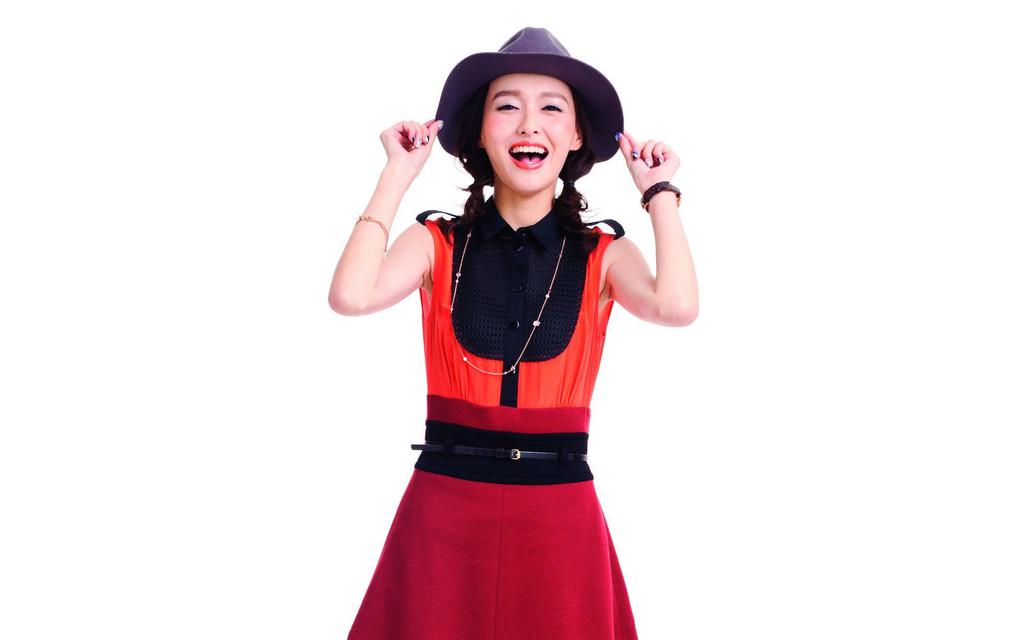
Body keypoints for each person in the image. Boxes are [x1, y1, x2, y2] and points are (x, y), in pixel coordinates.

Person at [329, 26, 698, 640]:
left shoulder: (603, 253)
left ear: (576, 136)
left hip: (560, 514)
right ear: (480, 132)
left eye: (552, 108)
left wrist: (658, 192)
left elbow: (677, 306)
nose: (529, 124)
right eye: (507, 107)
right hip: (443, 508)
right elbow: (351, 295)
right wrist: (397, 174)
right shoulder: (437, 242)